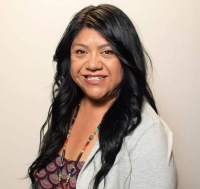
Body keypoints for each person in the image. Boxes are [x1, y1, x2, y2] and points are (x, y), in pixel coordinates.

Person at [28, 4, 178, 189]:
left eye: (107, 51)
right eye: (81, 51)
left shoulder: (147, 131)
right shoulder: (67, 109)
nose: (92, 64)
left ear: (126, 58)